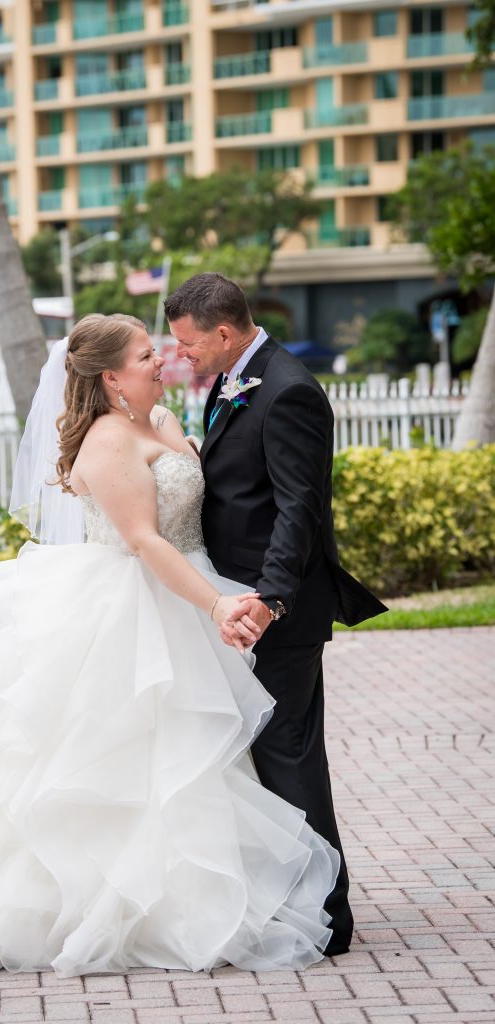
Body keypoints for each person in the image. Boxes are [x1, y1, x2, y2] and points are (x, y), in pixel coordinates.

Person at [0, 312, 340, 978]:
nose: (163, 360)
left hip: (190, 590)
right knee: (131, 761)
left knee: (203, 759)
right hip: (135, 605)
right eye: (147, 354)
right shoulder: (105, 442)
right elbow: (145, 540)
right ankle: (120, 907)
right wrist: (215, 603)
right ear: (111, 377)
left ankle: (224, 892)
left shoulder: (158, 424)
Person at [164, 274, 387, 957]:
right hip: (236, 599)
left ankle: (326, 918)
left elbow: (299, 507)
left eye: (189, 343)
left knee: (287, 755)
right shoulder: (238, 376)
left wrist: (269, 597)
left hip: (275, 610)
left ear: (224, 333)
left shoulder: (287, 389)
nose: (182, 356)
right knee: (266, 756)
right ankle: (293, 897)